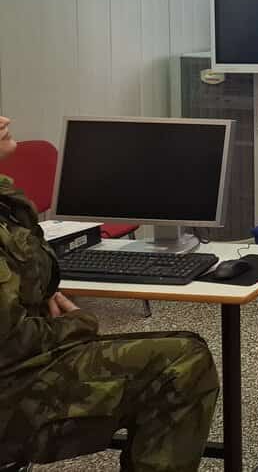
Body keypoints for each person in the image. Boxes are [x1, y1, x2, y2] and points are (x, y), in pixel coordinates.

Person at [0, 116, 220, 472]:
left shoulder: (4, 195)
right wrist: (80, 322)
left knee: (179, 348)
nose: (5, 119)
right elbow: (12, 341)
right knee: (183, 362)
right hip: (13, 392)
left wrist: (38, 287)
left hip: (19, 369)